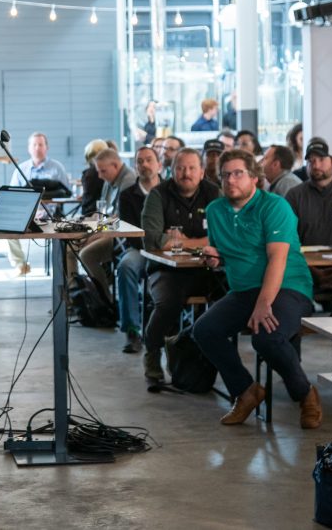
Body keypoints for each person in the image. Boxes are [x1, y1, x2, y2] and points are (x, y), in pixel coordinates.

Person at [192, 149, 321, 429]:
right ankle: (247, 391)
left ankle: (305, 394)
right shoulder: (215, 211)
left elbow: (278, 258)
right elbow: (225, 256)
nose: (230, 180)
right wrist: (215, 259)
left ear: (254, 177)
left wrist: (264, 304)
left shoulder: (274, 206)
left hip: (289, 286)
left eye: (238, 173)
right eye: (225, 175)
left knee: (266, 338)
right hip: (244, 290)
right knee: (204, 329)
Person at [140, 148, 221, 383]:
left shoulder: (214, 193)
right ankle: (153, 355)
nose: (187, 173)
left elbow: (223, 236)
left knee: (232, 302)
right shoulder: (157, 195)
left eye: (192, 168)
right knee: (167, 304)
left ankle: (211, 360)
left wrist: (181, 242)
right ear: (172, 170)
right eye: (181, 168)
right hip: (165, 270)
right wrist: (202, 242)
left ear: (202, 171)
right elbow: (153, 239)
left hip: (207, 269)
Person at [116, 146, 161, 353]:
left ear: (159, 164)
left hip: (167, 248)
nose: (144, 165)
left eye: (149, 160)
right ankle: (132, 330)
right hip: (141, 249)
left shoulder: (169, 191)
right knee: (125, 266)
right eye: (140, 161)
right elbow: (130, 232)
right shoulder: (127, 195)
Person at [7, 132, 71, 275]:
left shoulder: (57, 168)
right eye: (34, 144)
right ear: (29, 148)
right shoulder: (20, 170)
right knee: (8, 228)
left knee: (65, 229)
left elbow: (66, 195)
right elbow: (13, 197)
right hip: (26, 215)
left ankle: (62, 270)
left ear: (46, 147)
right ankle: (21, 264)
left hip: (51, 215)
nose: (37, 148)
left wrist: (49, 210)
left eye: (41, 144)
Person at [77, 149, 136, 297]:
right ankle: (73, 296)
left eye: (103, 171)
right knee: (70, 246)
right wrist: (90, 226)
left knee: (86, 255)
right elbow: (102, 211)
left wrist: (97, 232)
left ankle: (104, 300)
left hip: (121, 235)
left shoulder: (129, 180)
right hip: (108, 228)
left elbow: (119, 219)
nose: (99, 175)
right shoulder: (109, 180)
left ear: (115, 165)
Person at [285, 138, 332, 247]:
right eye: (311, 160)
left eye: (321, 159)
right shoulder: (295, 196)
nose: (316, 165)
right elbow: (287, 234)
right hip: (306, 261)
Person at [79, 139, 108, 217]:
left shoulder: (89, 174)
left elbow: (88, 198)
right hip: (102, 213)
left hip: (90, 214)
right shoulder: (106, 171)